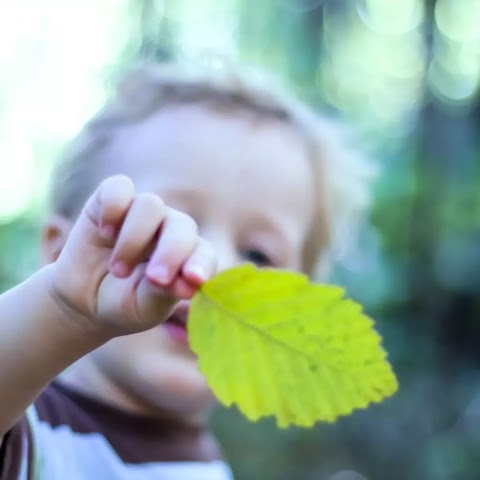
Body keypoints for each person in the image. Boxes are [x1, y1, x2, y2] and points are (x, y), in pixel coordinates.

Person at [0, 60, 373, 479]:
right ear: (60, 255)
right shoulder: (31, 430)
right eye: (166, 225)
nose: (211, 266)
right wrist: (64, 308)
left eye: (258, 255)